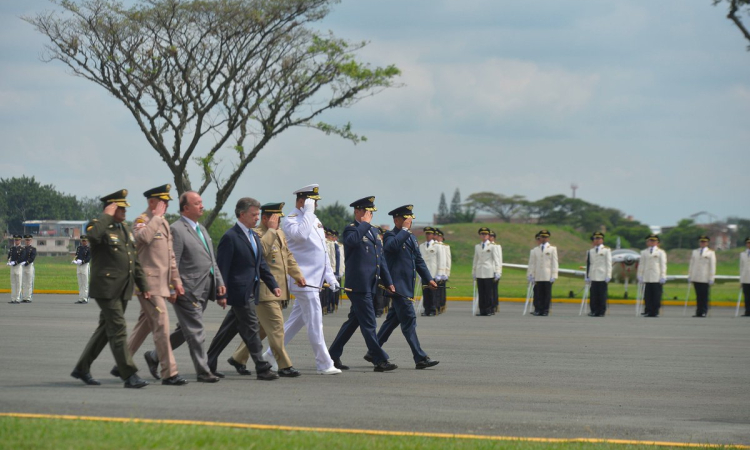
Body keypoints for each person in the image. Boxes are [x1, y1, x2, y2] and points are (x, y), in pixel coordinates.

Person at [70, 189, 150, 388]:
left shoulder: (123, 228)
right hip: (106, 288)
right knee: (118, 329)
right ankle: (129, 375)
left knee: (105, 330)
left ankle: (82, 368)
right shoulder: (98, 225)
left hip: (123, 288)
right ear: (110, 207)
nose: (124, 211)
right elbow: (93, 237)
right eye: (120, 207)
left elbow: (134, 261)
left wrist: (143, 285)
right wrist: (106, 214)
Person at [145, 191, 226, 383]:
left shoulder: (202, 229)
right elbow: (172, 261)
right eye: (197, 203)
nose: (202, 206)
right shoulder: (176, 229)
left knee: (186, 331)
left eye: (201, 202)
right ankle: (203, 370)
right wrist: (173, 287)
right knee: (197, 330)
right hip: (186, 290)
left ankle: (154, 356)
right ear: (185, 208)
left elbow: (211, 260)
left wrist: (220, 283)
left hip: (204, 289)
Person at [262, 184, 341, 375]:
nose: (315, 205)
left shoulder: (313, 219)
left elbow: (321, 251)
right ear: (302, 201)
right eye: (312, 201)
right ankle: (324, 363)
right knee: (315, 322)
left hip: (314, 280)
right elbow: (301, 236)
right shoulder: (291, 220)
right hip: (302, 280)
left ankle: (270, 354)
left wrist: (330, 277)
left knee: (295, 323)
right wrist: (308, 212)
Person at [112, 184, 187, 386]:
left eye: (167, 202)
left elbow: (170, 256)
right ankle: (169, 373)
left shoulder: (162, 223)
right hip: (147, 284)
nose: (166, 205)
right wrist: (156, 218)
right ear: (152, 202)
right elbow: (141, 239)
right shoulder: (143, 221)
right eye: (163, 202)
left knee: (144, 327)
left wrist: (176, 282)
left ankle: (122, 363)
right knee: (162, 326)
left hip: (161, 285)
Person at [205, 198, 280, 381]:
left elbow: (260, 265)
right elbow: (222, 268)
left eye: (258, 214)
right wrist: (220, 293)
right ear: (242, 214)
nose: (257, 218)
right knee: (252, 328)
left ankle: (207, 363)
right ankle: (261, 367)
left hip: (250, 291)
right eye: (254, 214)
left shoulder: (253, 236)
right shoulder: (230, 237)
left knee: (228, 330)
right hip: (238, 292)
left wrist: (273, 285)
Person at [229, 202, 305, 378]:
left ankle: (238, 357)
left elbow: (289, 257)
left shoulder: (279, 233)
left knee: (263, 329)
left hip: (278, 291)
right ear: (265, 218)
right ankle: (284, 365)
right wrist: (270, 230)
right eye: (275, 219)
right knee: (277, 328)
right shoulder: (257, 234)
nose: (278, 222)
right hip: (264, 291)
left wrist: (298, 275)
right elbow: (259, 252)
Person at [364, 204, 439, 369]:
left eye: (410, 219)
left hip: (407, 286)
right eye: (406, 219)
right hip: (397, 288)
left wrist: (429, 279)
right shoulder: (392, 235)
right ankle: (420, 357)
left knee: (392, 321)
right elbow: (391, 247)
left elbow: (418, 260)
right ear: (397, 219)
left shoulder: (411, 237)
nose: (409, 222)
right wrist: (404, 231)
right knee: (409, 321)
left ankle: (372, 351)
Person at [328, 196, 397, 372]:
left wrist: (388, 282)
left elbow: (380, 259)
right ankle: (379, 359)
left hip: (371, 284)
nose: (370, 215)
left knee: (354, 321)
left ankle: (333, 355)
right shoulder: (351, 230)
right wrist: (364, 224)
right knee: (369, 322)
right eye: (366, 212)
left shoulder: (374, 232)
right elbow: (351, 242)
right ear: (357, 212)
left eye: (371, 212)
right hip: (358, 285)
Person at [527, 229, 558, 316]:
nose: (544, 238)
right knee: (538, 293)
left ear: (548, 238)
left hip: (547, 275)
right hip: (538, 275)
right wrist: (530, 275)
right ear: (539, 238)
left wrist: (554, 275)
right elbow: (532, 264)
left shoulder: (552, 249)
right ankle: (538, 309)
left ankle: (545, 310)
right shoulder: (535, 250)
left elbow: (554, 263)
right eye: (542, 237)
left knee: (546, 294)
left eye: (545, 237)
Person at [473, 227, 502, 316]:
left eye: (485, 234)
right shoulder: (477, 246)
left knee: (489, 292)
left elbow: (497, 260)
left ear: (488, 236)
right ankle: (482, 310)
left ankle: (489, 309)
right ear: (480, 236)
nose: (484, 236)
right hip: (480, 272)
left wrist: (498, 271)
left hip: (489, 271)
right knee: (481, 292)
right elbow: (475, 260)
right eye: (482, 234)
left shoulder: (493, 246)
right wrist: (474, 271)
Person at [637, 234, 667, 317]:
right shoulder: (644, 252)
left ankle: (655, 311)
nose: (652, 242)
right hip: (647, 276)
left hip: (656, 276)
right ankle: (649, 310)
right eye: (651, 241)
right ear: (648, 242)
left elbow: (663, 265)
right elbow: (641, 264)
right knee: (647, 296)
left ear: (657, 242)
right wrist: (640, 275)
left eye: (654, 241)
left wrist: (663, 276)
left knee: (656, 296)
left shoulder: (661, 252)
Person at [688, 235, 716, 318]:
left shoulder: (710, 253)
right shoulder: (695, 252)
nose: (702, 243)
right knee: (698, 295)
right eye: (701, 242)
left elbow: (712, 266)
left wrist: (711, 277)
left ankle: (704, 311)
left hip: (705, 277)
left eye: (704, 242)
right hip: (696, 276)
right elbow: (691, 264)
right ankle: (698, 311)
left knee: (704, 296)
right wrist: (690, 275)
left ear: (707, 243)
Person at [585, 232, 612, 317]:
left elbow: (608, 263)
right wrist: (587, 276)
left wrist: (608, 275)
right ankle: (593, 310)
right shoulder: (590, 251)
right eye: (595, 239)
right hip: (593, 275)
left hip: (602, 275)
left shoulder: (606, 250)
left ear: (602, 240)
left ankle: (601, 311)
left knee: (602, 294)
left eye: (599, 239)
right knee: (593, 295)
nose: (597, 240)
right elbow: (589, 264)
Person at [418, 227, 443, 316]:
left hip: (433, 272)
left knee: (433, 292)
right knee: (425, 292)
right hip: (424, 273)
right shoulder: (421, 246)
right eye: (426, 234)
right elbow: (419, 260)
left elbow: (440, 260)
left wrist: (440, 273)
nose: (428, 235)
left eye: (429, 234)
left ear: (433, 235)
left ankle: (433, 309)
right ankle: (426, 309)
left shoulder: (437, 246)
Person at [434, 228, 451, 314]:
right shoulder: (434, 246)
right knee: (436, 290)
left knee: (441, 290)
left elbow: (447, 260)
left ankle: (441, 305)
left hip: (442, 272)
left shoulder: (445, 246)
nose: (437, 237)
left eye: (438, 236)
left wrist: (446, 272)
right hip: (435, 271)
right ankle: (436, 305)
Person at [73, 236, 92, 304]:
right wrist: (75, 260)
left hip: (85, 265)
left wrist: (82, 262)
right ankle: (81, 298)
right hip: (79, 265)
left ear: (87, 241)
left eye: (85, 241)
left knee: (85, 283)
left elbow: (88, 258)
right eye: (83, 241)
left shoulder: (89, 249)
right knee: (80, 283)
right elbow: (76, 256)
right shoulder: (79, 248)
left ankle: (85, 298)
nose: (84, 242)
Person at [6, 235, 25, 304]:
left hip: (18, 266)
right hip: (12, 266)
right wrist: (9, 261)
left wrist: (15, 262)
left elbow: (22, 258)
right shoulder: (12, 248)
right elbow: (9, 256)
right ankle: (13, 298)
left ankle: (17, 298)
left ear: (20, 241)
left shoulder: (22, 249)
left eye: (18, 240)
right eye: (15, 240)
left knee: (18, 283)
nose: (16, 241)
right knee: (13, 283)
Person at [20, 235, 36, 303]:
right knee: (23, 282)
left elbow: (32, 258)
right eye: (26, 240)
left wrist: (26, 262)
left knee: (29, 282)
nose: (27, 241)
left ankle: (28, 297)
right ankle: (24, 297)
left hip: (29, 266)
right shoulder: (22, 248)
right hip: (23, 266)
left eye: (29, 240)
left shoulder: (33, 249)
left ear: (31, 240)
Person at [488, 231, 501, 313]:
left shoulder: (496, 246)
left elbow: (499, 260)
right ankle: (489, 305)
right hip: (487, 271)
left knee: (494, 289)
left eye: (492, 236)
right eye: (489, 235)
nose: (490, 237)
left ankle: (494, 305)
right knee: (488, 290)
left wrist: (498, 271)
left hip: (494, 271)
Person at [740, 237, 750, 317]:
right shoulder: (743, 254)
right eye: (748, 243)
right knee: (746, 296)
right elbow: (741, 267)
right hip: (745, 278)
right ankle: (747, 311)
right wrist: (741, 280)